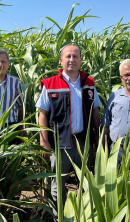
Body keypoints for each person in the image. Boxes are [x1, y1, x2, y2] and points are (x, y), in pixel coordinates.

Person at [36, 45, 101, 211]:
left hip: (83, 141)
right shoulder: (50, 84)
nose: (72, 60)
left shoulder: (89, 83)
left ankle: (84, 215)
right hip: (60, 143)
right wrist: (44, 142)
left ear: (80, 60)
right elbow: (42, 113)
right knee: (58, 186)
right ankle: (61, 217)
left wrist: (98, 135)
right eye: (68, 57)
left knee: (86, 183)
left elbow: (95, 110)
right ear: (61, 61)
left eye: (75, 56)